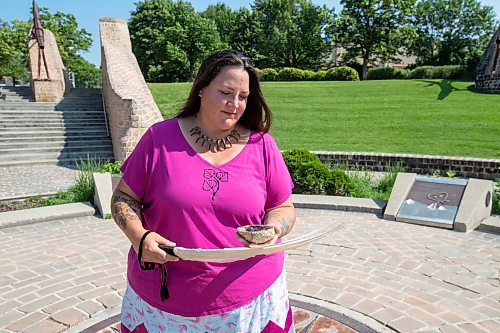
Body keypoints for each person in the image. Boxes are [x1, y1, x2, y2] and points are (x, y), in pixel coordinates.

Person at [111, 50, 296, 333]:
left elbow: (283, 207)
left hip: (251, 298)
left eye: (243, 97)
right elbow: (123, 198)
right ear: (201, 89)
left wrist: (274, 228)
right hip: (166, 299)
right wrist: (140, 238)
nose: (235, 104)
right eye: (225, 92)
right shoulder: (158, 140)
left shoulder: (262, 145)